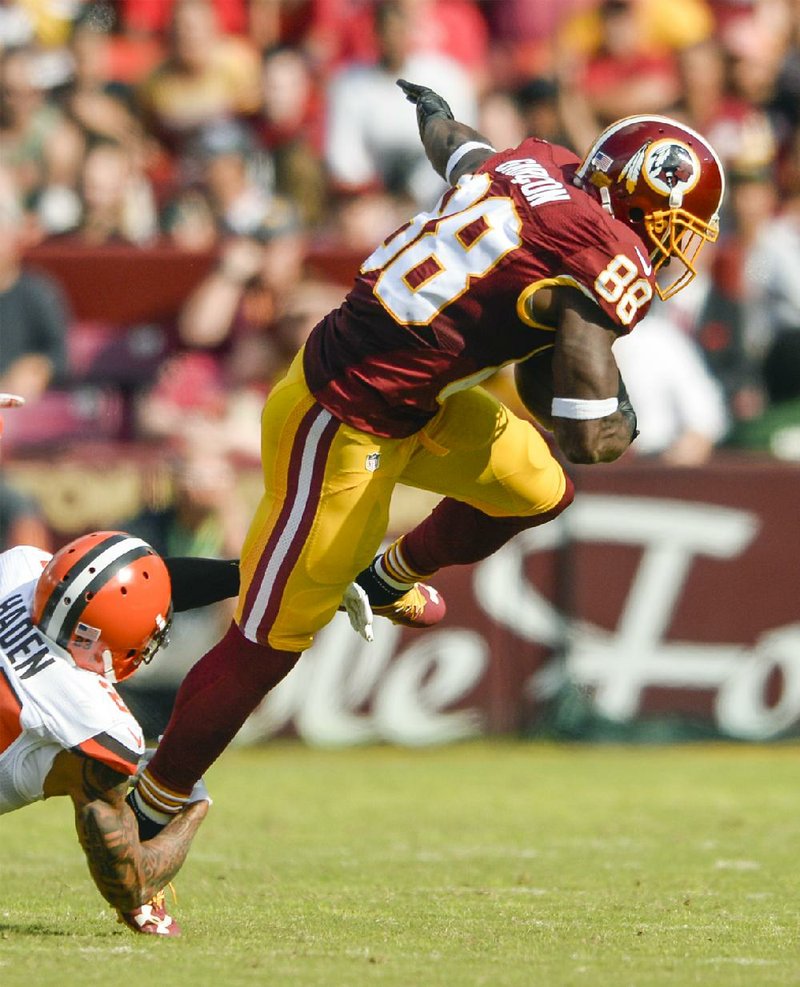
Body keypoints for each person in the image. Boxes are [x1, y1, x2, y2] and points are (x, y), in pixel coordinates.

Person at [130, 80, 724, 836]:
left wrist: (434, 116)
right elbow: (588, 434)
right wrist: (619, 420)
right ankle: (152, 803)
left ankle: (387, 576)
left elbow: (460, 149)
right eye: (673, 226)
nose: (674, 247)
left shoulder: (534, 162)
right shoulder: (603, 251)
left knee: (537, 488)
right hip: (344, 412)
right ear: (635, 204)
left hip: (425, 398)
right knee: (267, 643)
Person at [0, 528, 239, 936]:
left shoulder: (19, 568)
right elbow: (131, 884)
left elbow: (130, 585)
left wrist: (250, 576)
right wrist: (193, 810)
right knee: (88, 776)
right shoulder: (96, 721)